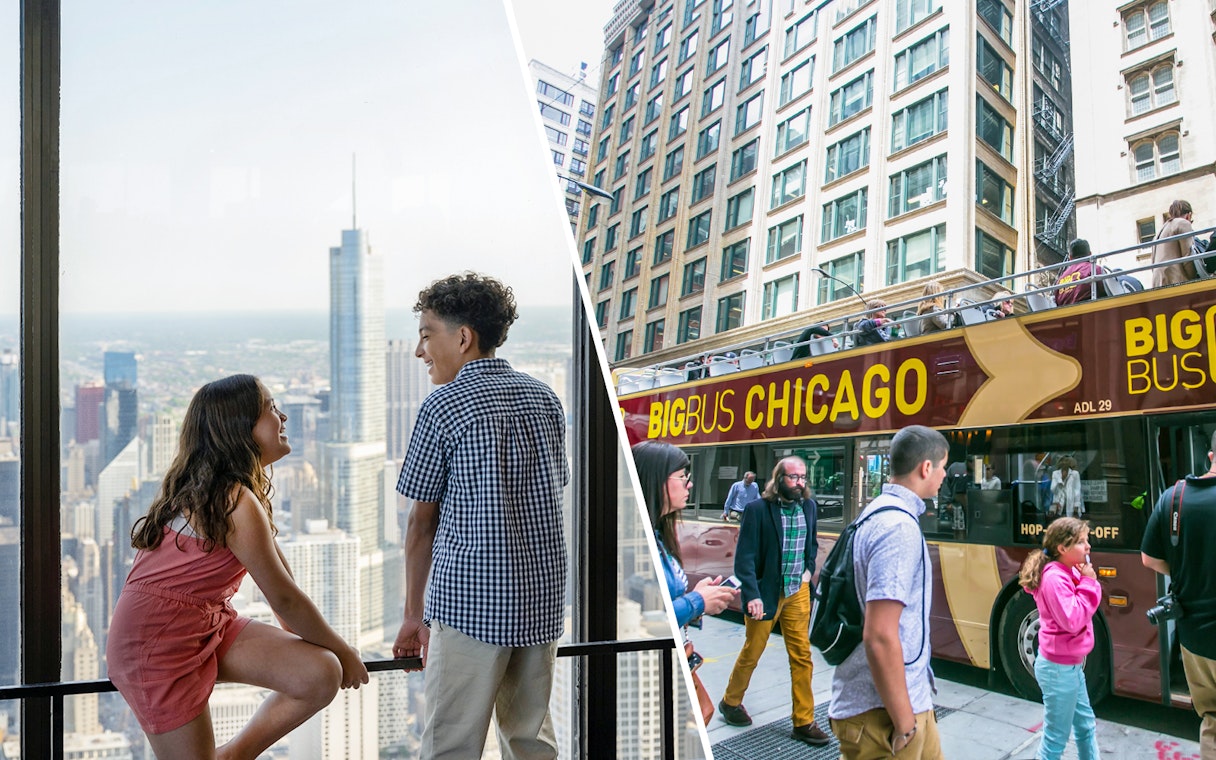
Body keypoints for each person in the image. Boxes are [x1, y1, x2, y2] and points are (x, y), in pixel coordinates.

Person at [106, 375, 368, 759]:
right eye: (271, 409)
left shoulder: (230, 494)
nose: (283, 417)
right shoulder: (234, 502)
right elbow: (284, 598)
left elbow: (284, 593)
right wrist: (344, 650)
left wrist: (324, 650)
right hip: (154, 645)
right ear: (240, 429)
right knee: (331, 663)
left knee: (318, 673)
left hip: (204, 623)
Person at [393, 273, 567, 759]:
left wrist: (413, 616)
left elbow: (419, 524)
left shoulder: (443, 406)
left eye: (427, 335)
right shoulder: (546, 399)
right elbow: (552, 491)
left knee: (451, 744)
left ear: (463, 337)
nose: (420, 350)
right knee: (531, 741)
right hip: (541, 600)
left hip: (472, 603)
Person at [828, 424, 949, 760]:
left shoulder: (877, 513)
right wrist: (906, 723)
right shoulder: (898, 528)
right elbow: (880, 635)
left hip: (905, 700)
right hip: (883, 715)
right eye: (942, 467)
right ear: (926, 468)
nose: (943, 477)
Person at [719, 456, 829, 746]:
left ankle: (803, 721)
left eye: (803, 477)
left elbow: (811, 544)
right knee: (753, 651)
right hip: (766, 593)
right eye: (793, 477)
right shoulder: (757, 510)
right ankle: (730, 702)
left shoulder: (809, 507)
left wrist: (808, 569)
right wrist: (752, 595)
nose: (799, 483)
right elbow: (745, 558)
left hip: (797, 591)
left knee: (802, 656)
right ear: (779, 479)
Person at [1141, 431, 1216, 758]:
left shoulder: (1173, 497)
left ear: (1210, 456)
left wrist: (1188, 569)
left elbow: (1148, 558)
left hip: (1195, 640)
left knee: (1212, 718)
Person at [1018, 517, 1102, 760]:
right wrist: (1089, 582)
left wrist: (1084, 579)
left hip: (1070, 666)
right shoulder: (1055, 578)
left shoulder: (1067, 571)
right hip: (1058, 669)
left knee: (1086, 727)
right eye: (1081, 542)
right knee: (1055, 738)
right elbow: (1073, 618)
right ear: (1062, 549)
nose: (1088, 546)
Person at [633, 441, 737, 627]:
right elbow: (650, 618)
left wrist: (697, 599)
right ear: (656, 480)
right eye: (682, 477)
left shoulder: (660, 535)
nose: (689, 485)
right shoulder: (637, 547)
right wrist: (698, 601)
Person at [1152, 200, 1198, 288]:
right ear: (1189, 215)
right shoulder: (1183, 223)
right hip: (1175, 280)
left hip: (1157, 283)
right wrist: (1194, 277)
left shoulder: (1159, 232)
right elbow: (1188, 257)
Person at [1055, 239, 1108, 306]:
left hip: (1066, 315)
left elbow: (1056, 303)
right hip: (1090, 312)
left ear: (1070, 257)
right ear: (1090, 254)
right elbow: (1108, 293)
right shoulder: (1095, 269)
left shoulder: (1060, 280)